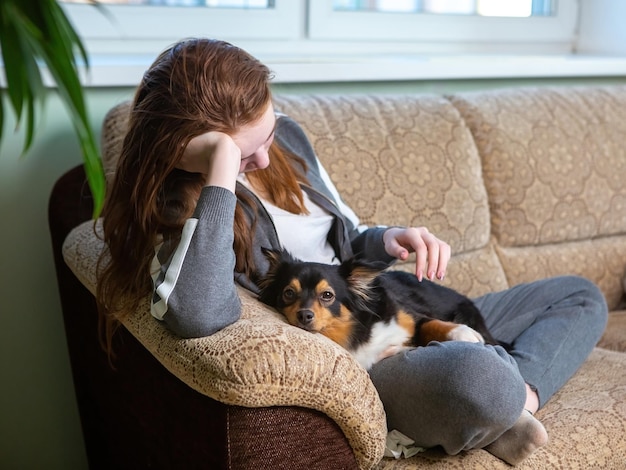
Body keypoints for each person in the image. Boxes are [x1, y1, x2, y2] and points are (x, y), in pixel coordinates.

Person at [97, 38, 608, 465]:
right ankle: (490, 395)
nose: (265, 156)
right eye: (242, 151)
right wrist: (221, 171)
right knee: (477, 375)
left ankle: (519, 402)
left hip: (390, 309)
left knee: (581, 295)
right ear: (194, 148)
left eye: (266, 134)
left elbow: (346, 232)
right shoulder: (181, 210)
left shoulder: (289, 137)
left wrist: (387, 240)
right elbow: (196, 315)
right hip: (366, 361)